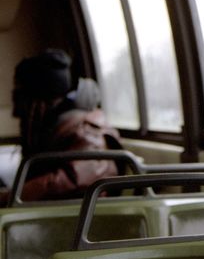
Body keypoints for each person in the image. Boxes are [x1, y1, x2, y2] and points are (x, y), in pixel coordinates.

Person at [0, 49, 122, 205]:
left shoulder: (86, 131)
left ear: (40, 101)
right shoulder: (53, 127)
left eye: (21, 95)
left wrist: (7, 198)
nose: (17, 110)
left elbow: (72, 180)